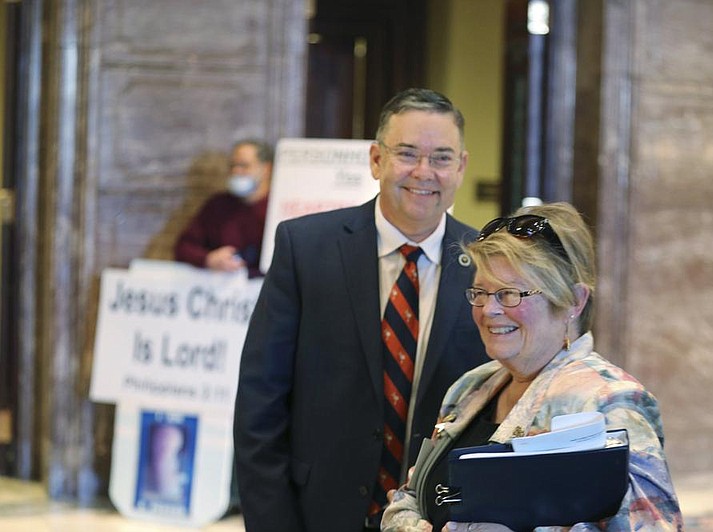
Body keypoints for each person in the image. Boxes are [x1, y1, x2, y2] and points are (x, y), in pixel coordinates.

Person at [233, 88, 488, 532]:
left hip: (445, 518)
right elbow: (261, 403)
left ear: (461, 167)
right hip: (319, 512)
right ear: (376, 159)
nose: (424, 172)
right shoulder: (306, 248)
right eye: (407, 153)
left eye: (442, 158)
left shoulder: (489, 264)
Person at [381, 202, 684, 531]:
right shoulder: (469, 388)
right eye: (481, 292)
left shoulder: (611, 402)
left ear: (573, 300)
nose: (488, 310)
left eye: (510, 294)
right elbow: (415, 497)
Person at [174, 138, 273, 278]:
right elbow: (184, 247)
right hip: (222, 294)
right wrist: (208, 259)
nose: (236, 171)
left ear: (266, 169)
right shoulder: (218, 205)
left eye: (244, 166)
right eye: (233, 165)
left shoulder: (278, 206)